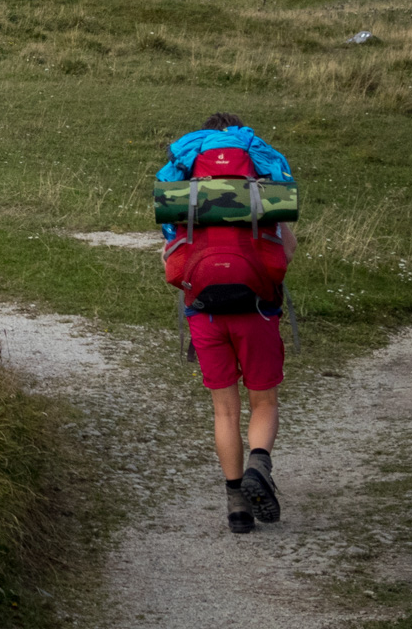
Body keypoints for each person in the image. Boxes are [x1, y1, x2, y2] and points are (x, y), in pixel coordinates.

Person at [157, 112, 296, 534]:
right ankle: (260, 464)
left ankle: (237, 505)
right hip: (256, 308)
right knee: (264, 402)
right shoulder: (262, 183)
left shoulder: (186, 188)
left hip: (205, 311)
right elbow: (286, 252)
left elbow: (169, 256)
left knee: (224, 410)